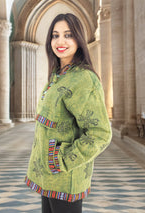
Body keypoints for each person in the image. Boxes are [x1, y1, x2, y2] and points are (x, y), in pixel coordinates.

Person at [25, 13, 112, 213]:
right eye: (55, 35)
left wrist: (61, 160)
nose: (60, 41)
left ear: (79, 40)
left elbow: (100, 134)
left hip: (65, 178)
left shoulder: (84, 79)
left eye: (68, 35)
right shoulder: (58, 75)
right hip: (47, 177)